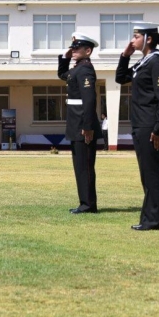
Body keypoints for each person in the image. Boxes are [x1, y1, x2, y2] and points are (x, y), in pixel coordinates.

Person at [115, 22, 159, 231]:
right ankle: (154, 218)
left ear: (148, 38)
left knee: (153, 173)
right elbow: (121, 78)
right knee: (148, 173)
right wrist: (125, 55)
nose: (132, 40)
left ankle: (154, 220)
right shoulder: (144, 63)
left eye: (136, 36)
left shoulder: (156, 62)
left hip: (150, 125)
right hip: (141, 124)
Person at [58, 32, 102, 214]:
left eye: (77, 48)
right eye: (73, 47)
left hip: (83, 126)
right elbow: (62, 74)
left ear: (88, 50)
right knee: (80, 165)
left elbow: (89, 99)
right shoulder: (78, 68)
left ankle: (88, 205)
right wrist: (65, 58)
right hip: (77, 123)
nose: (73, 50)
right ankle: (85, 202)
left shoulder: (85, 69)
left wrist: (88, 126)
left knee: (84, 166)